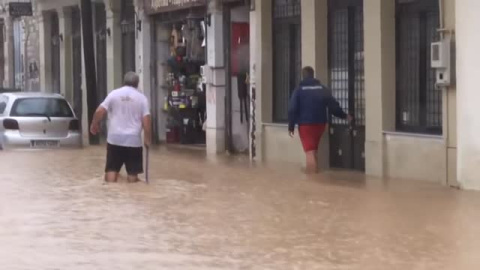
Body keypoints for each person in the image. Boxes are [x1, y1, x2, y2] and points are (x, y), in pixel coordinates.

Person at [288, 66, 352, 174]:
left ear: (303, 76)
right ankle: (316, 174)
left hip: (306, 125)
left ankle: (313, 181)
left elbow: (292, 109)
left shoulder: (298, 90)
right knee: (313, 151)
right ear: (313, 75)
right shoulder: (322, 89)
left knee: (309, 152)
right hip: (320, 125)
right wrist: (345, 116)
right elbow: (333, 106)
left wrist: (291, 126)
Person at [90, 72, 152, 183]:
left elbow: (100, 111)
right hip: (133, 141)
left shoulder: (114, 94)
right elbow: (146, 121)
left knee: (111, 170)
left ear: (123, 82)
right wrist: (147, 139)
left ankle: (111, 194)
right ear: (137, 84)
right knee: (133, 175)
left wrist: (94, 124)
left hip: (114, 139)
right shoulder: (142, 98)